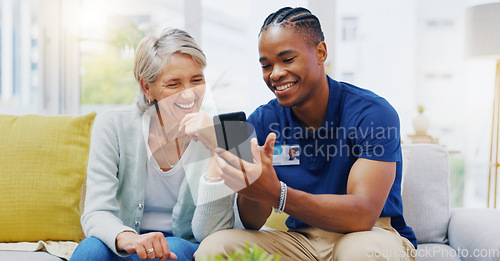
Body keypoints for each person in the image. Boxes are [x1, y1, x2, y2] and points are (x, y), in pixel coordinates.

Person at [195, 7, 417, 261]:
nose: (275, 74)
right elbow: (252, 222)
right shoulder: (262, 120)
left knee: (358, 252)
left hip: (370, 233)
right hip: (301, 239)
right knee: (216, 247)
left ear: (320, 52)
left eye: (287, 60)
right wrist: (253, 186)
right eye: (266, 65)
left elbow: (362, 214)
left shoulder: (373, 113)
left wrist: (276, 193)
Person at [71, 28, 234, 261]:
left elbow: (209, 234)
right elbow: (97, 212)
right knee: (90, 250)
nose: (189, 95)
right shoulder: (113, 124)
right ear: (147, 88)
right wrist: (129, 238)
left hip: (183, 243)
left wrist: (216, 151)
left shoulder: (225, 131)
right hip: (126, 239)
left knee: (168, 252)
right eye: (173, 84)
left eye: (196, 80)